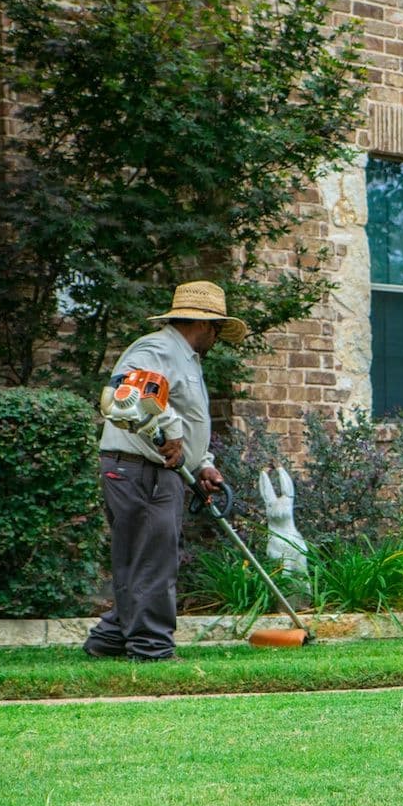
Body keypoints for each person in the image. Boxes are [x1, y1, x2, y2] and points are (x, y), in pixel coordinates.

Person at [83, 281, 247, 661]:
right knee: (153, 560)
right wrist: (171, 433)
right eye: (217, 329)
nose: (216, 338)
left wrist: (203, 464)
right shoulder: (156, 349)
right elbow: (127, 393)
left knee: (143, 557)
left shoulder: (184, 358)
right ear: (203, 324)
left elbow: (186, 418)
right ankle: (151, 648)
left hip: (156, 470)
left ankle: (110, 640)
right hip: (140, 469)